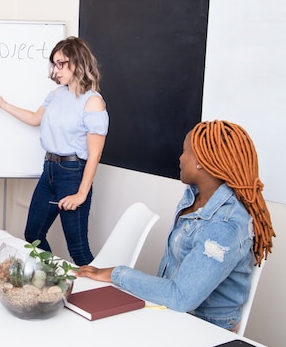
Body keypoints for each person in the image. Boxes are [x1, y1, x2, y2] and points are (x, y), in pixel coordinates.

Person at [77, 120, 276, 331]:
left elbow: (181, 297)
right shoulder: (194, 198)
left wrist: (116, 274)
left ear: (201, 161)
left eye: (185, 151)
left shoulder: (224, 226)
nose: (180, 158)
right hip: (172, 313)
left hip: (205, 330)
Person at [0, 36, 109, 265]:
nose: (56, 70)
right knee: (33, 235)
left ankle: (99, 295)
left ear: (78, 63)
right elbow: (34, 118)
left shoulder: (93, 102)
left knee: (78, 250)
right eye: (54, 64)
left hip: (72, 172)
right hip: (49, 169)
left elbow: (95, 154)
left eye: (61, 63)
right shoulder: (57, 94)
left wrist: (81, 194)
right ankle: (53, 279)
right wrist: (3, 104)